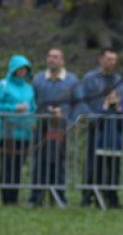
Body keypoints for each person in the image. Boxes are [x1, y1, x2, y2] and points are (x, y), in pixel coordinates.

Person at [76, 48, 123, 209]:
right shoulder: (90, 78)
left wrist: (118, 106)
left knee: (113, 166)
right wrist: (96, 114)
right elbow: (83, 101)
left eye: (114, 60)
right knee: (93, 165)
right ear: (100, 60)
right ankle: (88, 196)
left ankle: (112, 197)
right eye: (108, 59)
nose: (111, 63)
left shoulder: (118, 79)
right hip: (96, 128)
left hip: (114, 129)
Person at [29, 47, 77, 208]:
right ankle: (36, 198)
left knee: (59, 162)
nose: (52, 59)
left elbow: (78, 103)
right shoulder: (38, 79)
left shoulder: (71, 80)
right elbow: (32, 101)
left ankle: (58, 197)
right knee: (39, 163)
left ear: (62, 60)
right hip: (41, 127)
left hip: (61, 128)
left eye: (56, 57)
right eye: (49, 56)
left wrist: (66, 116)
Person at [0, 54, 36, 205]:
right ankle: (6, 198)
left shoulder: (29, 88)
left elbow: (33, 107)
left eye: (25, 69)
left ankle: (14, 198)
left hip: (24, 134)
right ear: (13, 69)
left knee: (18, 165)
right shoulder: (2, 85)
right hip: (7, 133)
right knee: (7, 165)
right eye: (19, 69)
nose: (22, 72)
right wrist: (13, 108)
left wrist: (33, 117)